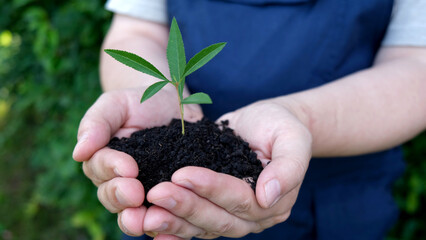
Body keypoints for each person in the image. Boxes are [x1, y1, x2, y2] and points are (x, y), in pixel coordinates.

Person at [73, 0, 426, 239]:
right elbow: (137, 31)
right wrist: (149, 90)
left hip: (335, 196)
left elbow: (417, 67)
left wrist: (299, 118)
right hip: (165, 207)